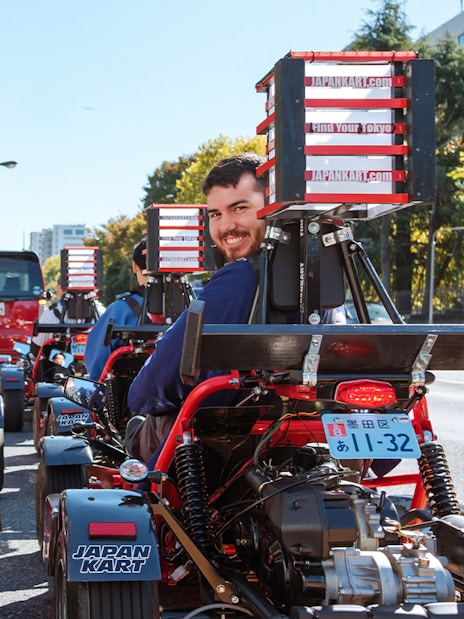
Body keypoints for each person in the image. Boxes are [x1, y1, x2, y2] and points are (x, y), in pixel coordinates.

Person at [126, 154, 271, 461]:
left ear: (271, 205)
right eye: (215, 214)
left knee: (141, 429)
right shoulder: (321, 281)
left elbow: (150, 388)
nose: (226, 226)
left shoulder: (239, 278)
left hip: (222, 446)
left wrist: (140, 398)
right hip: (292, 432)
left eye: (240, 208)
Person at [84, 238, 150, 381]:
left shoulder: (119, 309)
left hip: (129, 396)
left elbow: (97, 361)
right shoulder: (192, 307)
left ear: (135, 266)